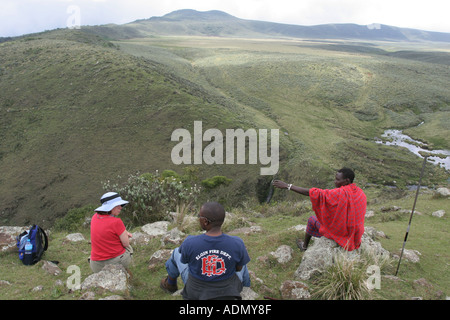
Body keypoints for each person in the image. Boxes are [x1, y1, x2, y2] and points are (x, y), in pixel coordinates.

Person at [160, 201, 251, 300]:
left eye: (199, 216)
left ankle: (170, 284)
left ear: (205, 221)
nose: (198, 218)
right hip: (228, 291)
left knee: (176, 252)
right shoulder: (237, 243)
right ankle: (247, 289)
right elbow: (238, 269)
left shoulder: (190, 242)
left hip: (196, 292)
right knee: (242, 260)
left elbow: (185, 261)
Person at [273, 167, 366, 252]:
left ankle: (304, 247)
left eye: (337, 179)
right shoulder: (360, 192)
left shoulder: (340, 193)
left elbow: (314, 193)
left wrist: (288, 186)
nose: (335, 182)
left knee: (312, 220)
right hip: (355, 234)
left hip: (343, 233)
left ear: (347, 181)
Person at [89, 192, 133, 273]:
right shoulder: (117, 222)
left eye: (121, 205)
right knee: (129, 247)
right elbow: (126, 244)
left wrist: (123, 232)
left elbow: (106, 229)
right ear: (110, 207)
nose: (121, 207)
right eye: (117, 205)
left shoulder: (95, 217)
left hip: (96, 266)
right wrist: (125, 235)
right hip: (115, 263)